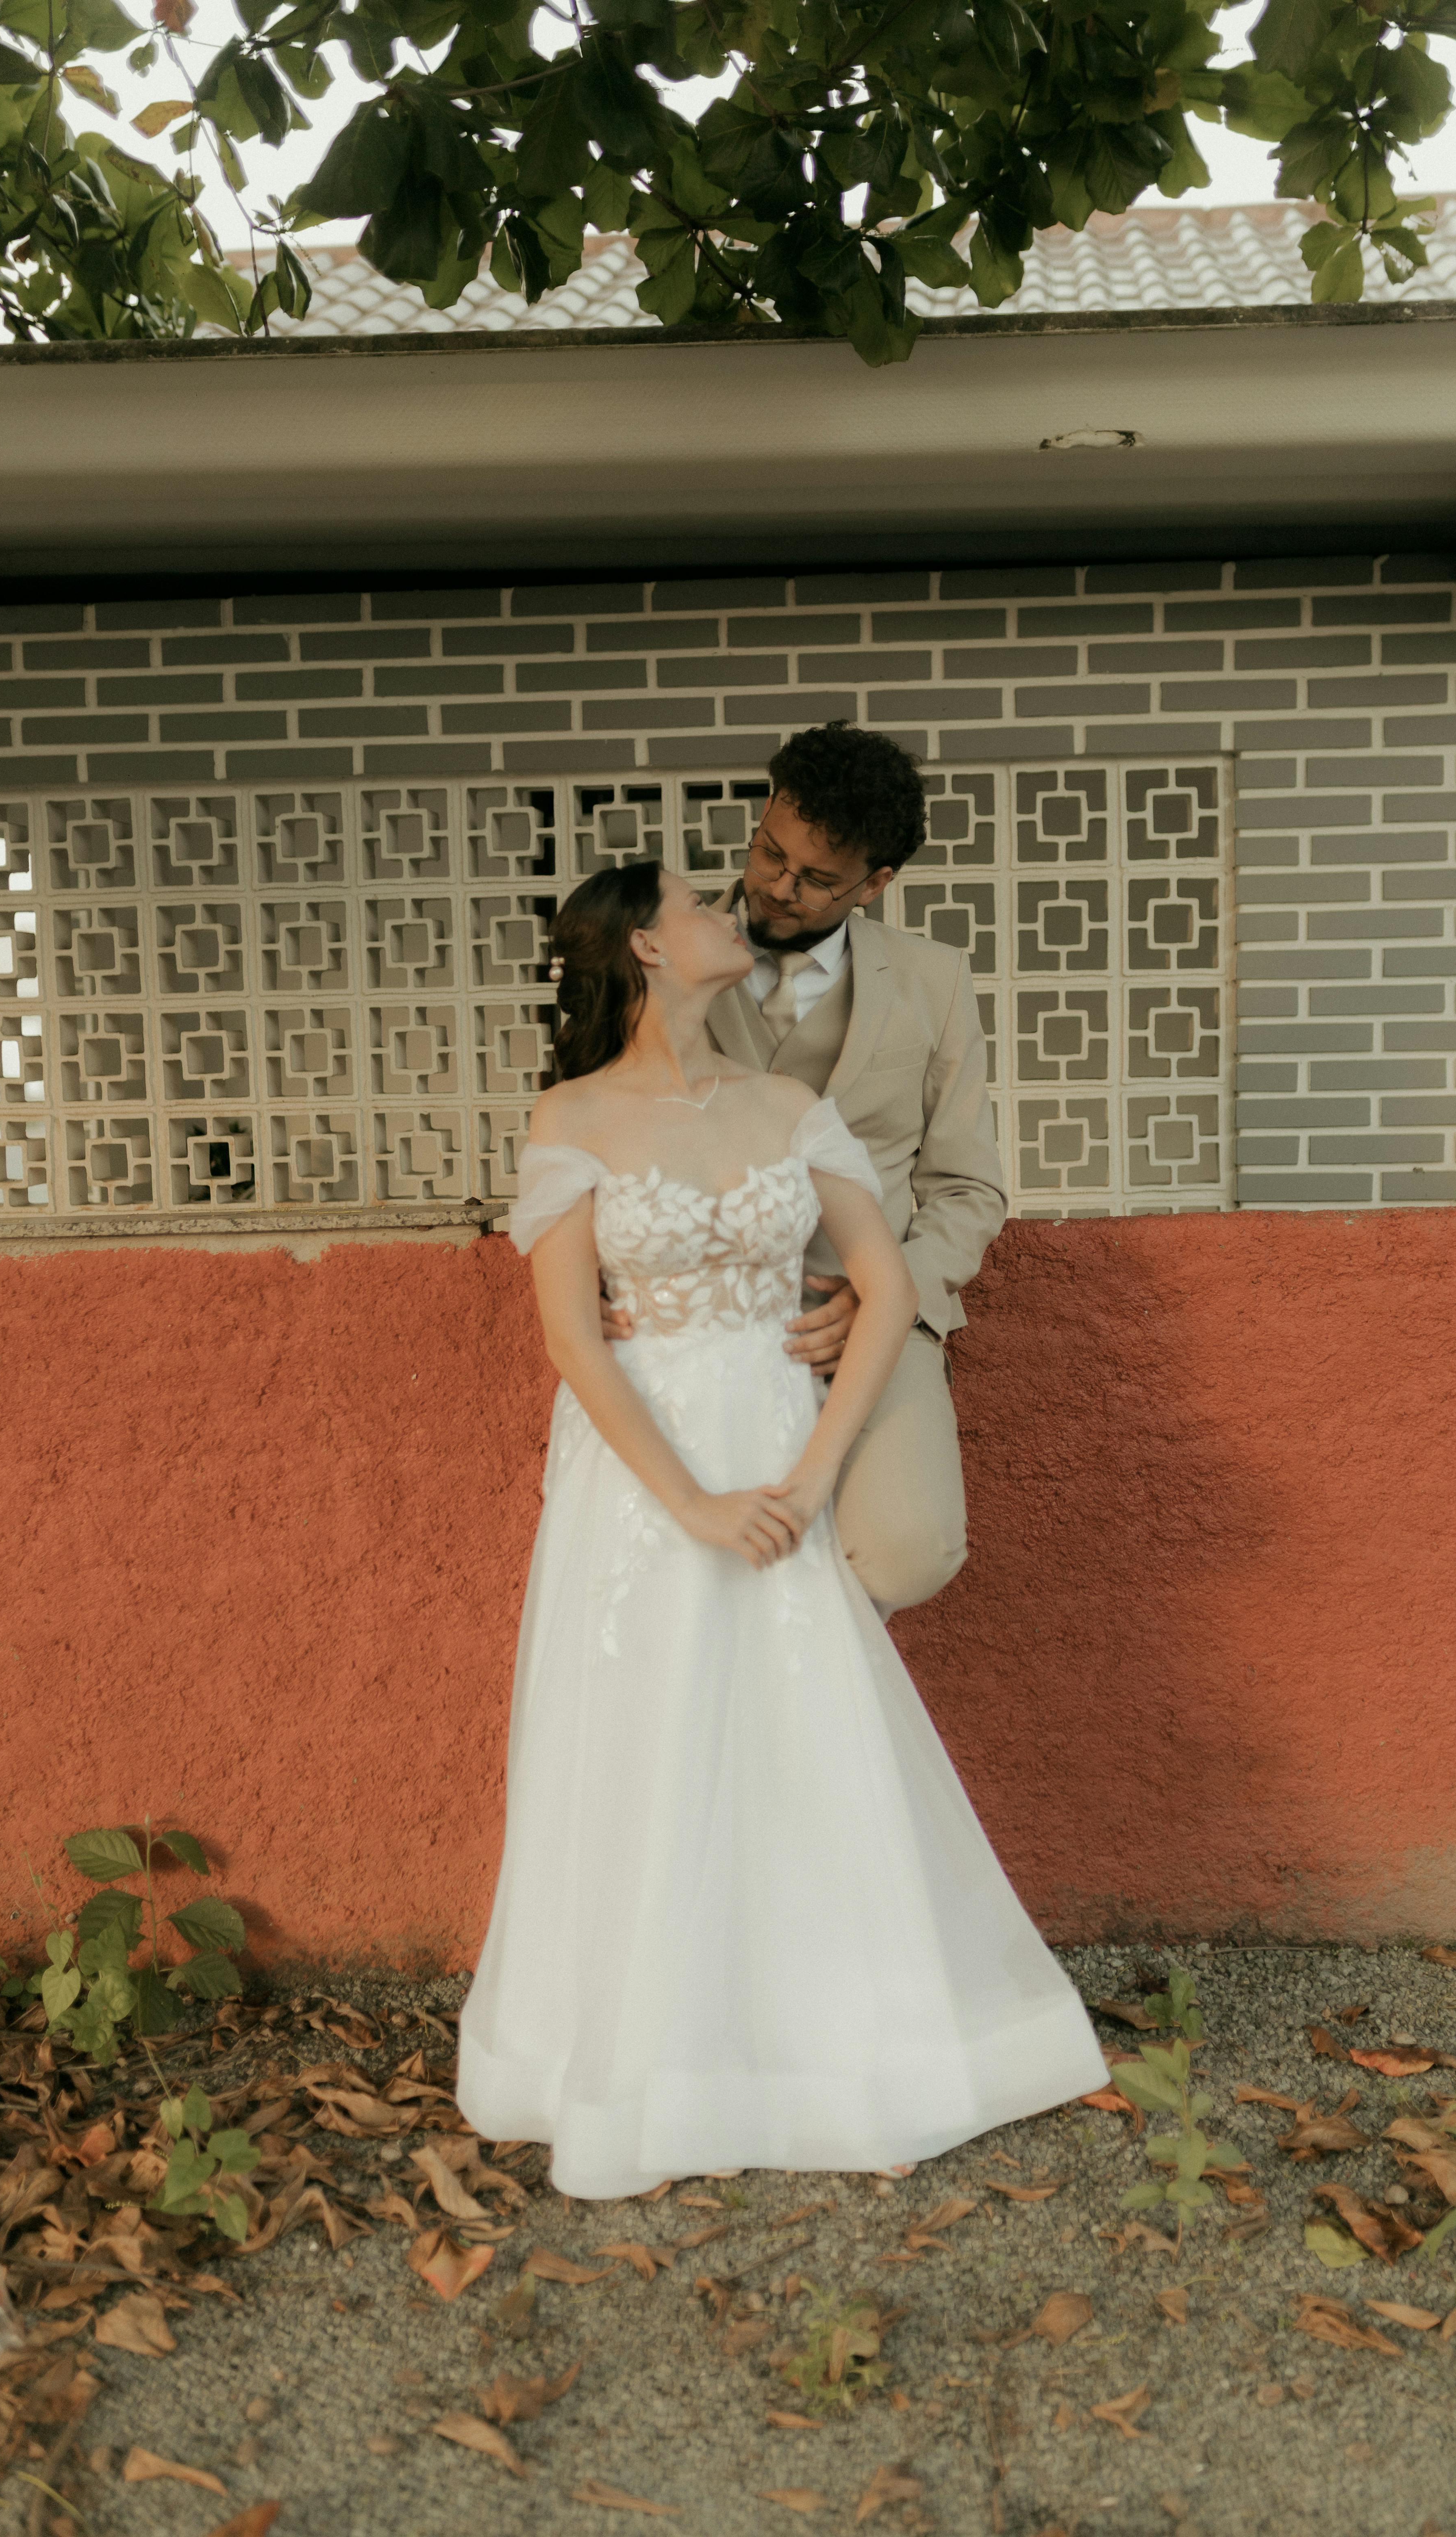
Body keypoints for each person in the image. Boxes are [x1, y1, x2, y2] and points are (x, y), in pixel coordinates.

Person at [454, 856, 1108, 2201]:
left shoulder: (790, 1106)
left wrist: (810, 1479)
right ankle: (643, 2061)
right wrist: (690, 1501)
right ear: (646, 948)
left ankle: (839, 2047)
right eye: (696, 905)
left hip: (772, 1428)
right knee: (646, 1736)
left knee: (802, 1727)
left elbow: (882, 1289)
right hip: (643, 1470)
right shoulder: (571, 1116)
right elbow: (574, 1341)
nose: (726, 914)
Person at [599, 721, 1006, 1619]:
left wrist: (888, 1289)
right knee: (685, 1568)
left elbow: (969, 1186)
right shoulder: (662, 944)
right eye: (769, 852)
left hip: (875, 1313)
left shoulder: (935, 981)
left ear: (876, 883)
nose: (778, 887)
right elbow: (597, 1124)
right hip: (702, 1313)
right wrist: (606, 1269)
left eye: (818, 879)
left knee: (908, 1549)